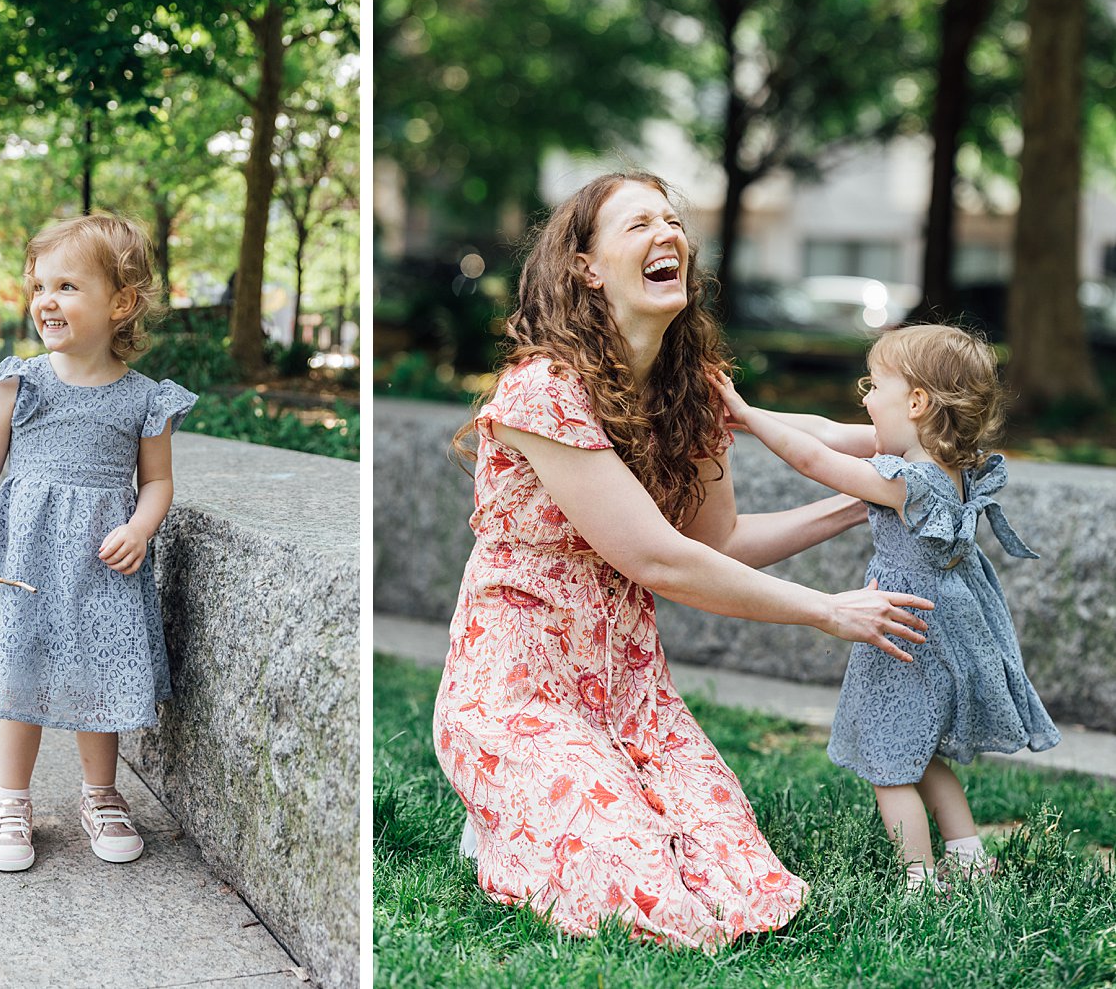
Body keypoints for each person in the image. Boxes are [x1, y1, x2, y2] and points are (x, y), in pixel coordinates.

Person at [433, 170, 934, 948]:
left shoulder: (689, 392)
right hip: (518, 690)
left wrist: (872, 495)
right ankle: (508, 815)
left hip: (633, 698)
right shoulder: (543, 391)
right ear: (586, 267)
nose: (667, 234)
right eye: (638, 225)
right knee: (643, 894)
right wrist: (829, 610)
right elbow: (660, 559)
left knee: (744, 883)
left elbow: (718, 544)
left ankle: (567, 805)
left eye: (672, 221)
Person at [713, 323, 1059, 890]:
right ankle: (969, 859)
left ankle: (918, 882)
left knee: (888, 759)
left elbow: (814, 459)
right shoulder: (949, 463)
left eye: (873, 386)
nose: (864, 397)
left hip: (905, 629)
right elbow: (822, 431)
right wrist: (744, 412)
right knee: (919, 750)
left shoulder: (907, 481)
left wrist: (750, 419)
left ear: (917, 403)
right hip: (942, 623)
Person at [0, 212, 197, 873]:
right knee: (19, 672)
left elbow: (158, 482)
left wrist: (140, 527)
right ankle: (11, 801)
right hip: (24, 556)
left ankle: (101, 795)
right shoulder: (20, 382)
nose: (46, 300)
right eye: (39, 286)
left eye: (68, 286)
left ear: (121, 301)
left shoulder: (144, 399)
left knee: (98, 677)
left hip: (98, 565)